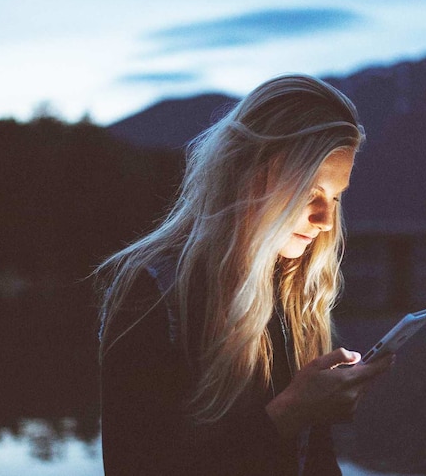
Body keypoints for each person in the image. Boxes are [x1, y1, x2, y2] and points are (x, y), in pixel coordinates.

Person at [95, 74, 395, 475]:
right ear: (252, 173)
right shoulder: (154, 292)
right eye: (311, 193)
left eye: (336, 197)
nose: (326, 221)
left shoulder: (292, 289)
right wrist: (292, 412)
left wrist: (316, 412)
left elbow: (314, 461)